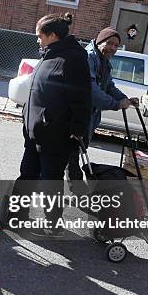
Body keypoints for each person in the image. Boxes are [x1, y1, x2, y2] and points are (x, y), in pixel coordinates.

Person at [20, 13, 91, 229]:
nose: (37, 40)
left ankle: (52, 221)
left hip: (55, 134)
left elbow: (82, 98)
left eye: (40, 36)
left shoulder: (73, 58)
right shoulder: (49, 54)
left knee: (50, 181)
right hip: (35, 132)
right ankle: (15, 215)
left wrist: (78, 129)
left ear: (52, 35)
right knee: (27, 175)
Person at [66, 27, 139, 181]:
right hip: (73, 118)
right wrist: (116, 104)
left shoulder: (102, 60)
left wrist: (126, 99)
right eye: (109, 43)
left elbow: (109, 86)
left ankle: (74, 193)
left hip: (85, 119)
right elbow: (91, 91)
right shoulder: (89, 57)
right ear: (99, 42)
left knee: (71, 157)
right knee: (69, 157)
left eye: (116, 45)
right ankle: (75, 194)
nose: (112, 48)